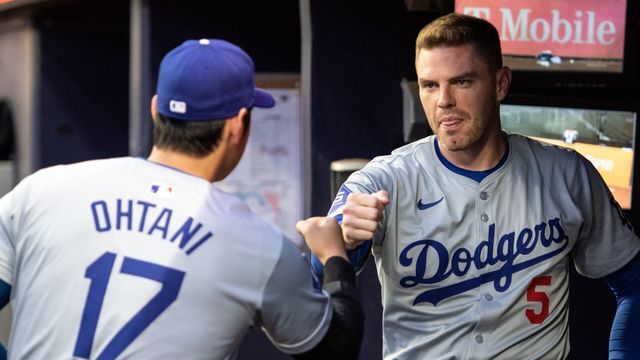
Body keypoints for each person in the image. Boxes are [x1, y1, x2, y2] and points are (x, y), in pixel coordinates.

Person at [0, 38, 364, 359]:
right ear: (238, 124)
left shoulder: (44, 188)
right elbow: (334, 347)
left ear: (156, 109)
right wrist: (333, 256)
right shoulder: (259, 244)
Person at [312, 13, 640, 359]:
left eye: (462, 82)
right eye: (430, 85)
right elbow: (316, 279)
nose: (444, 101)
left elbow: (633, 283)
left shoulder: (567, 174)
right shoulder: (381, 180)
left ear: (500, 84)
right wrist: (342, 245)